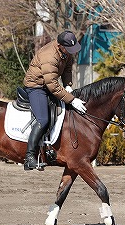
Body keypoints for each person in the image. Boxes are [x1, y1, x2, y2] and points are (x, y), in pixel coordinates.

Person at [23, 30, 87, 170]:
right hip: (36, 86)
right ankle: (29, 157)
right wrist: (71, 99)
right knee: (43, 119)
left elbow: (68, 68)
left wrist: (68, 85)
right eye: (68, 49)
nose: (71, 52)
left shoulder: (65, 52)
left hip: (48, 85)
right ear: (60, 46)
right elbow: (52, 85)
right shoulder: (49, 56)